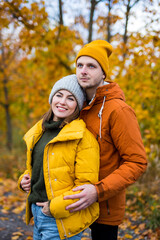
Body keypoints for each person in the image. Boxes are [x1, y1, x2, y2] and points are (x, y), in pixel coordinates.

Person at [63, 40, 148, 240]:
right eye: (80, 65)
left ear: (103, 73)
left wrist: (98, 191)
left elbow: (137, 162)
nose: (83, 71)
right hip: (71, 201)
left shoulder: (119, 110)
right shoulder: (74, 105)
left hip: (104, 207)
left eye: (91, 66)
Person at [18, 74, 100, 240]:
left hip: (60, 219)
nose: (62, 102)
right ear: (52, 98)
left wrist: (53, 208)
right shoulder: (41, 130)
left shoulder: (82, 137)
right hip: (38, 213)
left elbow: (85, 186)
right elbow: (44, 166)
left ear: (77, 105)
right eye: (59, 95)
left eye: (70, 98)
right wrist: (24, 179)